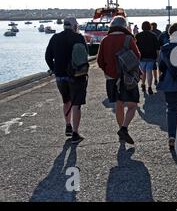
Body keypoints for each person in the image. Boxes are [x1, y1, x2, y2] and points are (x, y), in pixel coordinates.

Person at [97, 16, 141, 145]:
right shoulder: (128, 39)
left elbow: (100, 61)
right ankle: (124, 129)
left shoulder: (105, 40)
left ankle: (121, 131)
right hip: (127, 78)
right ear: (124, 26)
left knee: (119, 105)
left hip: (111, 78)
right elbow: (137, 56)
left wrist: (108, 70)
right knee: (132, 105)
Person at [45, 17, 88, 144]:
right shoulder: (79, 37)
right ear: (74, 26)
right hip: (77, 75)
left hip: (60, 76)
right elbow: (85, 54)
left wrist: (54, 69)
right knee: (76, 104)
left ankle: (68, 125)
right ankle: (75, 133)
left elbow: (48, 57)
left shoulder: (55, 38)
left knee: (66, 101)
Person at [157, 23, 177, 149]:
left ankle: (172, 136)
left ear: (170, 34)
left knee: (172, 109)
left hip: (170, 83)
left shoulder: (165, 48)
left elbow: (161, 66)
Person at [135, 21, 160, 95]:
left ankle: (143, 84)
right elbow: (157, 48)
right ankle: (149, 87)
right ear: (149, 27)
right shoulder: (153, 35)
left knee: (143, 71)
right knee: (149, 72)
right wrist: (157, 57)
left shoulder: (138, 35)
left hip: (141, 57)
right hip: (151, 56)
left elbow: (135, 47)